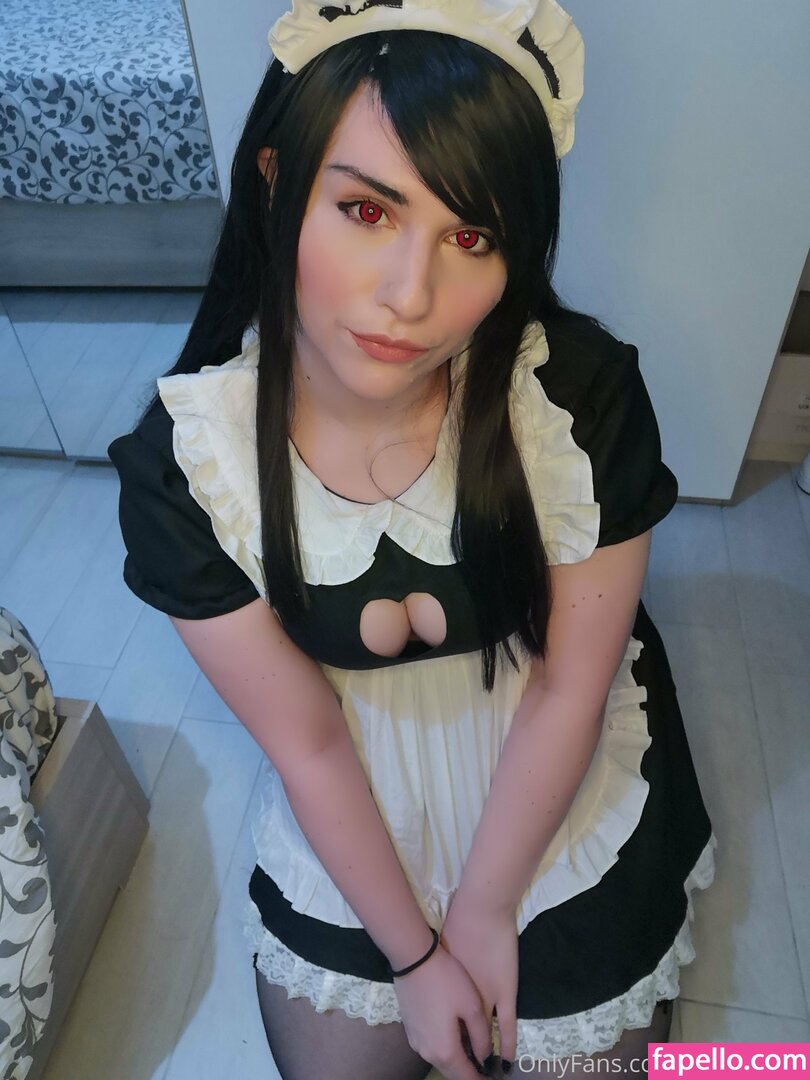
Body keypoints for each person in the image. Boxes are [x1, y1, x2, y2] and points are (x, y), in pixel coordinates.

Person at [107, 2, 718, 1077]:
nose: (411, 296)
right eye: (366, 209)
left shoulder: (575, 401)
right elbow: (309, 743)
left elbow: (568, 688)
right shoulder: (188, 468)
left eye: (470, 236)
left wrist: (481, 912)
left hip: (554, 775)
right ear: (275, 182)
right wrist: (417, 952)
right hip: (358, 801)